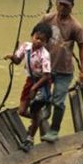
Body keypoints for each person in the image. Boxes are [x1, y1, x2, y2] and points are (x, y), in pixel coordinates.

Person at [40, 0, 83, 142]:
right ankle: (44, 114)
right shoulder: (47, 19)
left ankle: (54, 130)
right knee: (41, 98)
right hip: (46, 68)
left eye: (67, 6)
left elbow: (82, 47)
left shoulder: (76, 27)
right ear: (56, 3)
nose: (63, 8)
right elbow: (37, 35)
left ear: (72, 6)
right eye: (61, 4)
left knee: (59, 101)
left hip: (64, 71)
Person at [5, 22, 53, 151]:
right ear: (32, 36)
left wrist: (34, 88)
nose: (38, 41)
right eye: (36, 38)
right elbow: (18, 60)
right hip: (30, 81)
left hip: (42, 83)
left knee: (35, 109)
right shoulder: (25, 47)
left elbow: (47, 76)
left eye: (42, 40)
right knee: (22, 111)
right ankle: (38, 119)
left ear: (46, 42)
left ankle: (30, 138)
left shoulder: (45, 55)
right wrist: (12, 57)